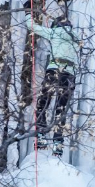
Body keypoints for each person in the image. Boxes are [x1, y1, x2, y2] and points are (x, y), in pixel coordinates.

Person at [25, 15, 79, 154]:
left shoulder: (55, 32)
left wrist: (27, 12)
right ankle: (58, 143)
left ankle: (41, 135)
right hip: (69, 75)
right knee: (61, 109)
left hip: (54, 71)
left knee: (43, 102)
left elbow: (32, 26)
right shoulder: (75, 37)